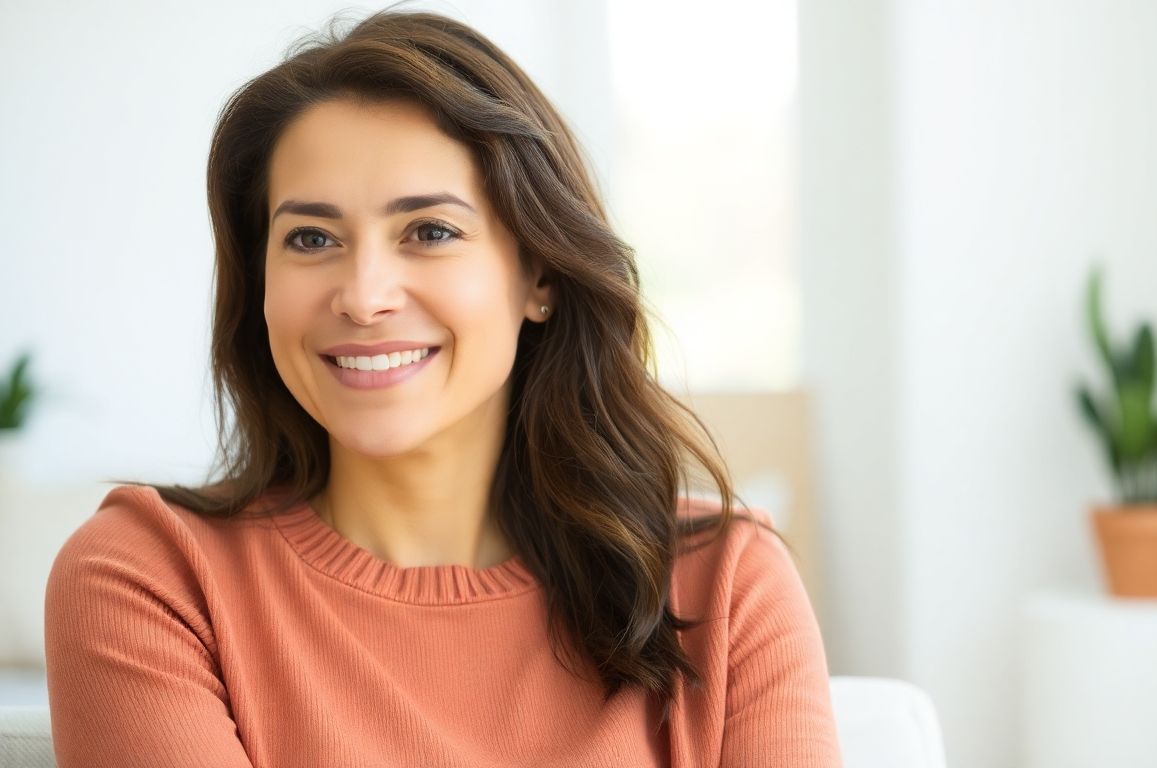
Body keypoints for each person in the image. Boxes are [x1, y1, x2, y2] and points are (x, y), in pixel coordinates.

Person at [43, 6, 841, 766]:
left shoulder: (727, 582)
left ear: (539, 274)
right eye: (312, 237)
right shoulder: (149, 578)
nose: (362, 294)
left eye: (430, 232)